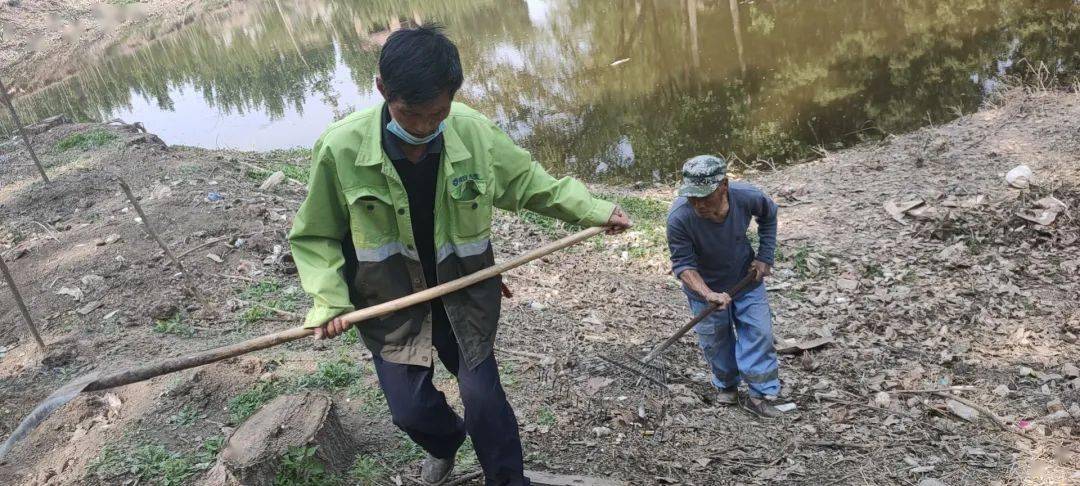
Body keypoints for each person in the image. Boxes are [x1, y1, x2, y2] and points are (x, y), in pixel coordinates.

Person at [288, 25, 631, 486]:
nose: (426, 127)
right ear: (382, 90)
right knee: (410, 411)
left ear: (453, 97)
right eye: (413, 114)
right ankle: (446, 443)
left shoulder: (472, 132)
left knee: (485, 401)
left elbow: (529, 184)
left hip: (463, 294)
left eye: (439, 113)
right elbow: (316, 236)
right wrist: (328, 300)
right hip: (390, 302)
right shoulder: (341, 148)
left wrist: (594, 210)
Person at [665, 155, 782, 418]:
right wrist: (707, 293)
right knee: (715, 340)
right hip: (705, 289)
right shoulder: (679, 217)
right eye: (692, 197)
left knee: (759, 331)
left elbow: (769, 214)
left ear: (724, 186)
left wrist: (765, 256)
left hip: (745, 280)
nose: (699, 205)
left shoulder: (747, 196)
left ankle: (761, 393)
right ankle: (727, 384)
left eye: (705, 197)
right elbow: (682, 264)